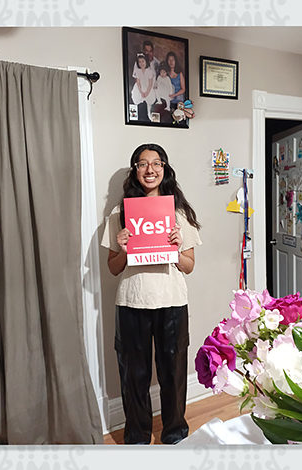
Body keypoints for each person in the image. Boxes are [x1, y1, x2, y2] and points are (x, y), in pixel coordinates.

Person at [100, 143, 202, 444]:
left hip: (172, 301)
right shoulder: (120, 213)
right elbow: (114, 268)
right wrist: (123, 248)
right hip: (132, 302)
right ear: (135, 170)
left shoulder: (179, 212)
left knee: (173, 373)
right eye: (142, 164)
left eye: (156, 163)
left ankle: (175, 433)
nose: (150, 170)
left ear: (165, 169)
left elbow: (189, 265)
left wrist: (175, 249)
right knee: (134, 375)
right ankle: (136, 436)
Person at [131, 53, 155, 120]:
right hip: (140, 88)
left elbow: (150, 83)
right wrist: (141, 91)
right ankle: (134, 115)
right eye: (139, 62)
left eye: (143, 61)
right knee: (137, 100)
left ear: (146, 62)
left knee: (149, 102)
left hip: (148, 88)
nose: (141, 64)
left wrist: (147, 92)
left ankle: (149, 114)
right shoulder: (138, 71)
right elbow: (138, 83)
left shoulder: (149, 71)